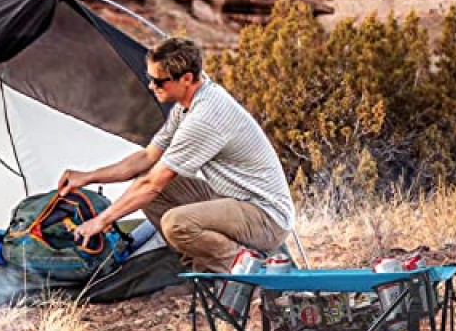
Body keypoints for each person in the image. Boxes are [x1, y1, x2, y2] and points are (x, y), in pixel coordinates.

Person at [58, 37, 294, 273]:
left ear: (187, 79)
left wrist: (101, 221)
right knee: (148, 178)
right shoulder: (188, 104)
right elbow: (147, 159)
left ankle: (246, 265)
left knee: (175, 222)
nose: (151, 86)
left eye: (158, 81)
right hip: (234, 199)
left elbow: (152, 184)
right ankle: (202, 263)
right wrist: (87, 177)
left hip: (266, 218)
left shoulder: (205, 117)